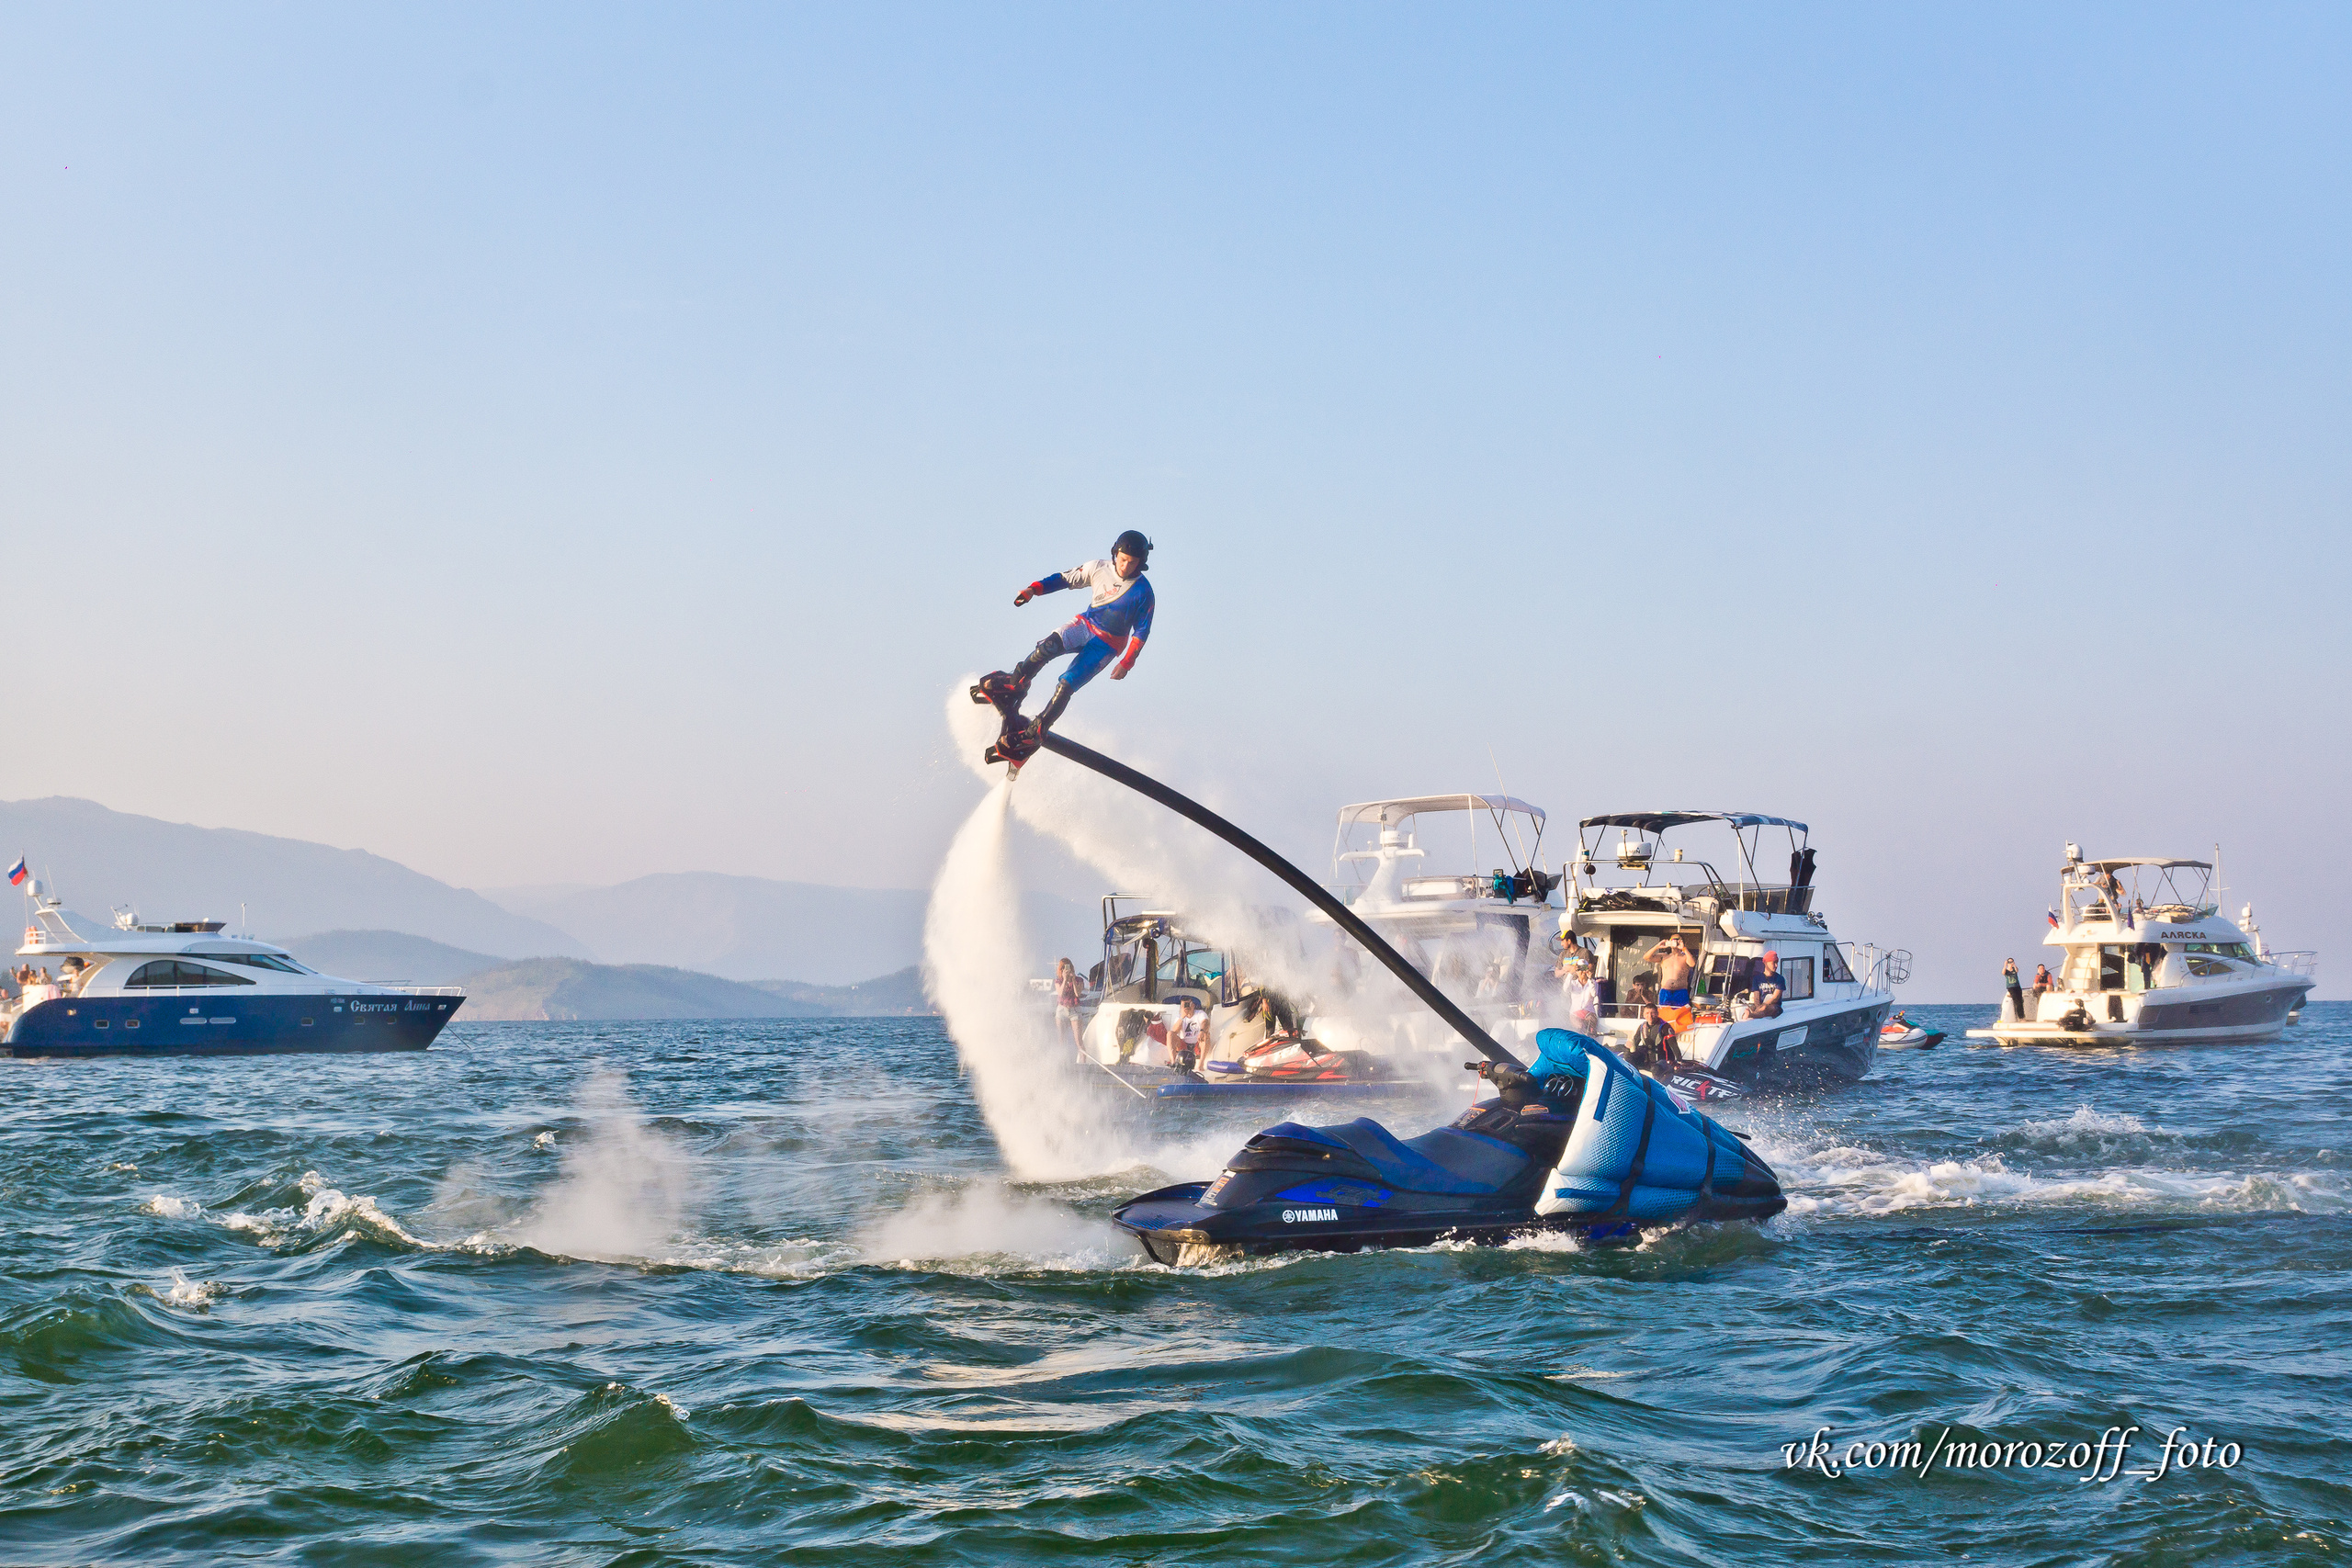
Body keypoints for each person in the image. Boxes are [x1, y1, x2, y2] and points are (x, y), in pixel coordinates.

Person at [992, 530, 1157, 742]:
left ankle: (1035, 732)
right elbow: (1065, 579)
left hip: (1107, 645)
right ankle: (1014, 686)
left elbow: (1142, 632)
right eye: (1122, 560)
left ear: (1141, 563)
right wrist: (1033, 590)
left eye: (1132, 563)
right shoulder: (1098, 567)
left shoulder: (1144, 592)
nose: (1125, 566)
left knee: (1066, 684)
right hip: (1086, 625)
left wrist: (1127, 663)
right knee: (1046, 648)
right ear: (1115, 553)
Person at [1644, 933, 1697, 1030]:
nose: (1675, 942)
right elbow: (1647, 957)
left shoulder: (1685, 957)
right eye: (1673, 939)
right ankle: (1664, 1036)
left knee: (1682, 1018)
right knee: (1663, 1018)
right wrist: (1658, 946)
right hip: (1665, 992)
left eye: (1678, 939)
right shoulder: (1664, 956)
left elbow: (1692, 964)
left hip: (1680, 992)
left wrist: (1683, 948)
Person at [1627, 1004, 1679, 1071]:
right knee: (1627, 1056)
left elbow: (1674, 1046)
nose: (1650, 1016)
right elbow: (1634, 1044)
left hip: (1663, 1062)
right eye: (1647, 1013)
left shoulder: (1665, 1027)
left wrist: (1679, 1061)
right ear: (1644, 1015)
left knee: (1655, 1069)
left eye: (1653, 1013)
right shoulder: (1642, 1027)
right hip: (1648, 1062)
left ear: (1657, 1014)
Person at [1559, 953, 1600, 1036]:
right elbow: (1565, 989)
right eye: (1579, 969)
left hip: (1589, 1013)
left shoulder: (1593, 983)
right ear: (1576, 971)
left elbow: (1594, 993)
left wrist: (1590, 978)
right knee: (1579, 1026)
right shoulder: (1573, 983)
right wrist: (1571, 973)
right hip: (1575, 1013)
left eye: (1583, 968)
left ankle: (1591, 1039)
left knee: (1591, 1026)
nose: (1582, 972)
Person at [1052, 958, 1086, 1059]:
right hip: (1062, 1009)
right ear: (1060, 970)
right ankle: (1062, 1063)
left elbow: (1077, 994)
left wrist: (1073, 980)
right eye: (1063, 968)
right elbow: (1061, 993)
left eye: (1068, 967)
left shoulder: (1079, 980)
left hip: (1074, 1009)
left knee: (1078, 1041)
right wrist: (1065, 979)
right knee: (1061, 1039)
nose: (1065, 970)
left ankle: (1083, 1063)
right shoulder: (1058, 981)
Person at [1170, 995, 1209, 1072]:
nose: (1187, 1007)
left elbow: (1205, 1022)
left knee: (1206, 1035)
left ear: (1193, 1005)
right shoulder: (1179, 1017)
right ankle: (1173, 1062)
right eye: (1184, 1005)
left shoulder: (1200, 1013)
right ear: (1181, 1007)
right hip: (1184, 1045)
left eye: (1188, 1004)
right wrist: (1183, 1016)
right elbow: (1174, 1031)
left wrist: (1202, 1031)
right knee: (1169, 1034)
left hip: (1198, 1044)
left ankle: (1200, 1065)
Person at [1750, 951, 1787, 1019]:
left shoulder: (1780, 979)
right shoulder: (1757, 978)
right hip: (1761, 1006)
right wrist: (1759, 1008)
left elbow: (1775, 998)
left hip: (1773, 1006)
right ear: (1765, 963)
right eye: (1774, 963)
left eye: (1777, 963)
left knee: (1774, 1009)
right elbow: (1756, 997)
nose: (1776, 966)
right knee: (1749, 1008)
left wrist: (1764, 1006)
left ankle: (1753, 1015)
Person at [2003, 956, 2027, 1020]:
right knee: (2016, 1001)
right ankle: (2020, 1017)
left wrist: (2014, 965)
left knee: (2020, 1001)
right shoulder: (2006, 971)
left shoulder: (2014, 969)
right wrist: (2005, 965)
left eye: (2011, 961)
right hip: (2011, 987)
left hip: (2017, 986)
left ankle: (2022, 1016)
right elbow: (2003, 973)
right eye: (2009, 962)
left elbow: (2017, 970)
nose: (2010, 963)